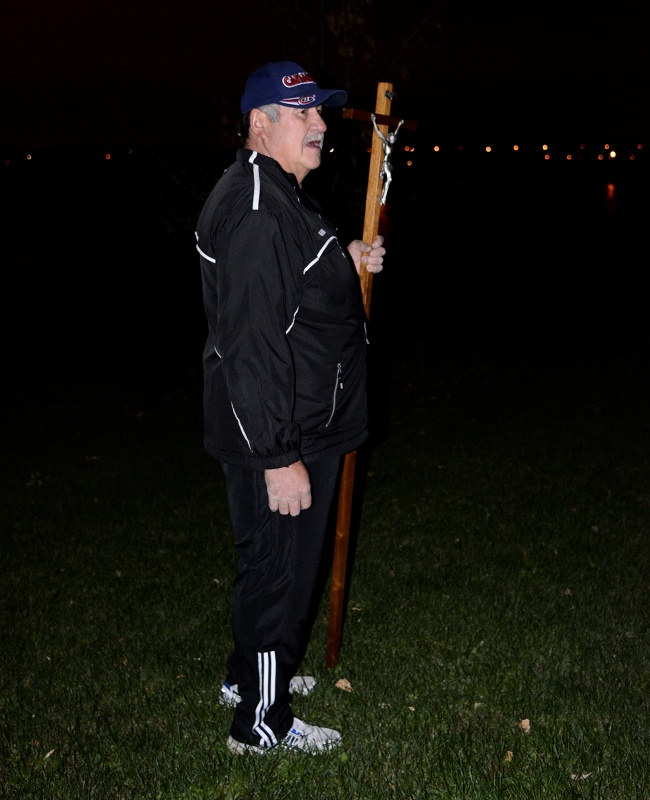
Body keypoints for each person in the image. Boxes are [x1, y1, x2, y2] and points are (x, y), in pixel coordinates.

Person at [195, 61, 385, 755]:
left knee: (273, 566)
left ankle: (247, 677)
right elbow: (251, 344)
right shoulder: (256, 209)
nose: (320, 124)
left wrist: (346, 260)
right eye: (303, 113)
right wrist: (279, 457)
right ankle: (261, 723)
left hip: (302, 415)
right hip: (284, 427)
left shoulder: (277, 193)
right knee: (280, 575)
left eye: (318, 112)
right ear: (260, 123)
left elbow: (292, 288)